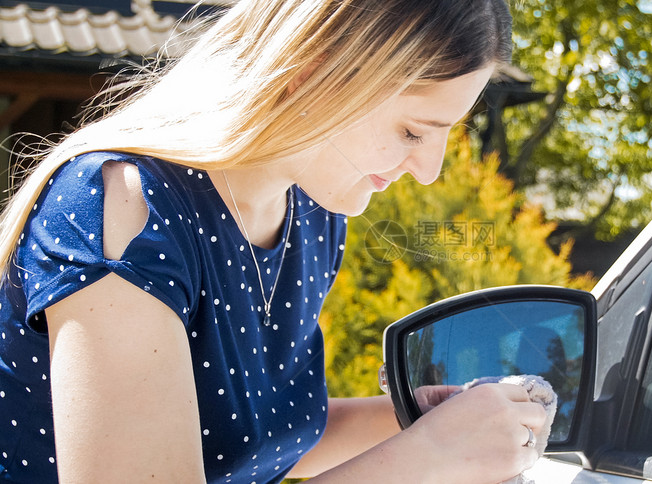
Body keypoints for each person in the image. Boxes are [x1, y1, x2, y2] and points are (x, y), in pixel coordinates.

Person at [0, 0, 548, 483]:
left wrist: (420, 419)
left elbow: (251, 441)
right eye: (412, 131)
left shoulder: (313, 214)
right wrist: (429, 457)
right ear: (312, 74)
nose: (430, 170)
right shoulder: (126, 208)